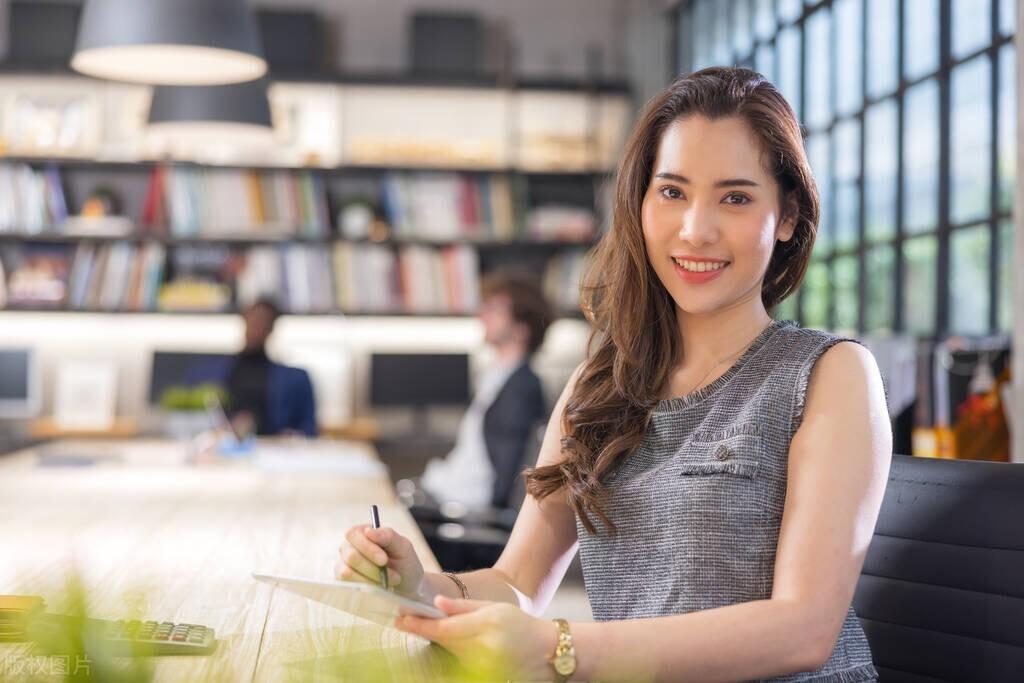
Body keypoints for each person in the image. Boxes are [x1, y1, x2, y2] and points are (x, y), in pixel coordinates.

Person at [335, 67, 891, 682]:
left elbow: (804, 629)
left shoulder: (829, 374)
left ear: (786, 216)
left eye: (735, 197)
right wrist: (418, 583)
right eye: (672, 192)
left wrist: (558, 650)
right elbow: (517, 583)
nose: (695, 229)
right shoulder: (598, 388)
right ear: (640, 203)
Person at [417, 270, 551, 510]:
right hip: (455, 495)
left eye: (495, 310)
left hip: (472, 510)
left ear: (522, 329)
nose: (482, 316)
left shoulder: (521, 388)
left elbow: (502, 484)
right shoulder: (494, 378)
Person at [195, 298, 318, 437]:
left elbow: (309, 429)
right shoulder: (212, 372)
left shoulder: (295, 379)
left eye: (262, 322)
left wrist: (293, 437)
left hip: (275, 449)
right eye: (252, 320)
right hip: (224, 447)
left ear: (271, 328)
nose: (256, 327)